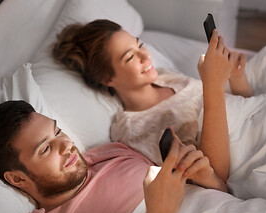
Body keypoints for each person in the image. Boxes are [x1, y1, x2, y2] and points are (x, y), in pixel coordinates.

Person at [0, 100, 226, 213]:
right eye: (45, 149)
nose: (66, 145)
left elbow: (223, 197)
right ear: (17, 178)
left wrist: (207, 177)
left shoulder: (112, 152)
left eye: (58, 131)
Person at [53, 19, 254, 183]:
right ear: (107, 79)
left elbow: (243, 106)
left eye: (139, 44)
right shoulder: (133, 130)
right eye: (130, 57)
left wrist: (236, 77)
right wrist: (214, 86)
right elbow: (214, 175)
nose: (145, 54)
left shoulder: (166, 76)